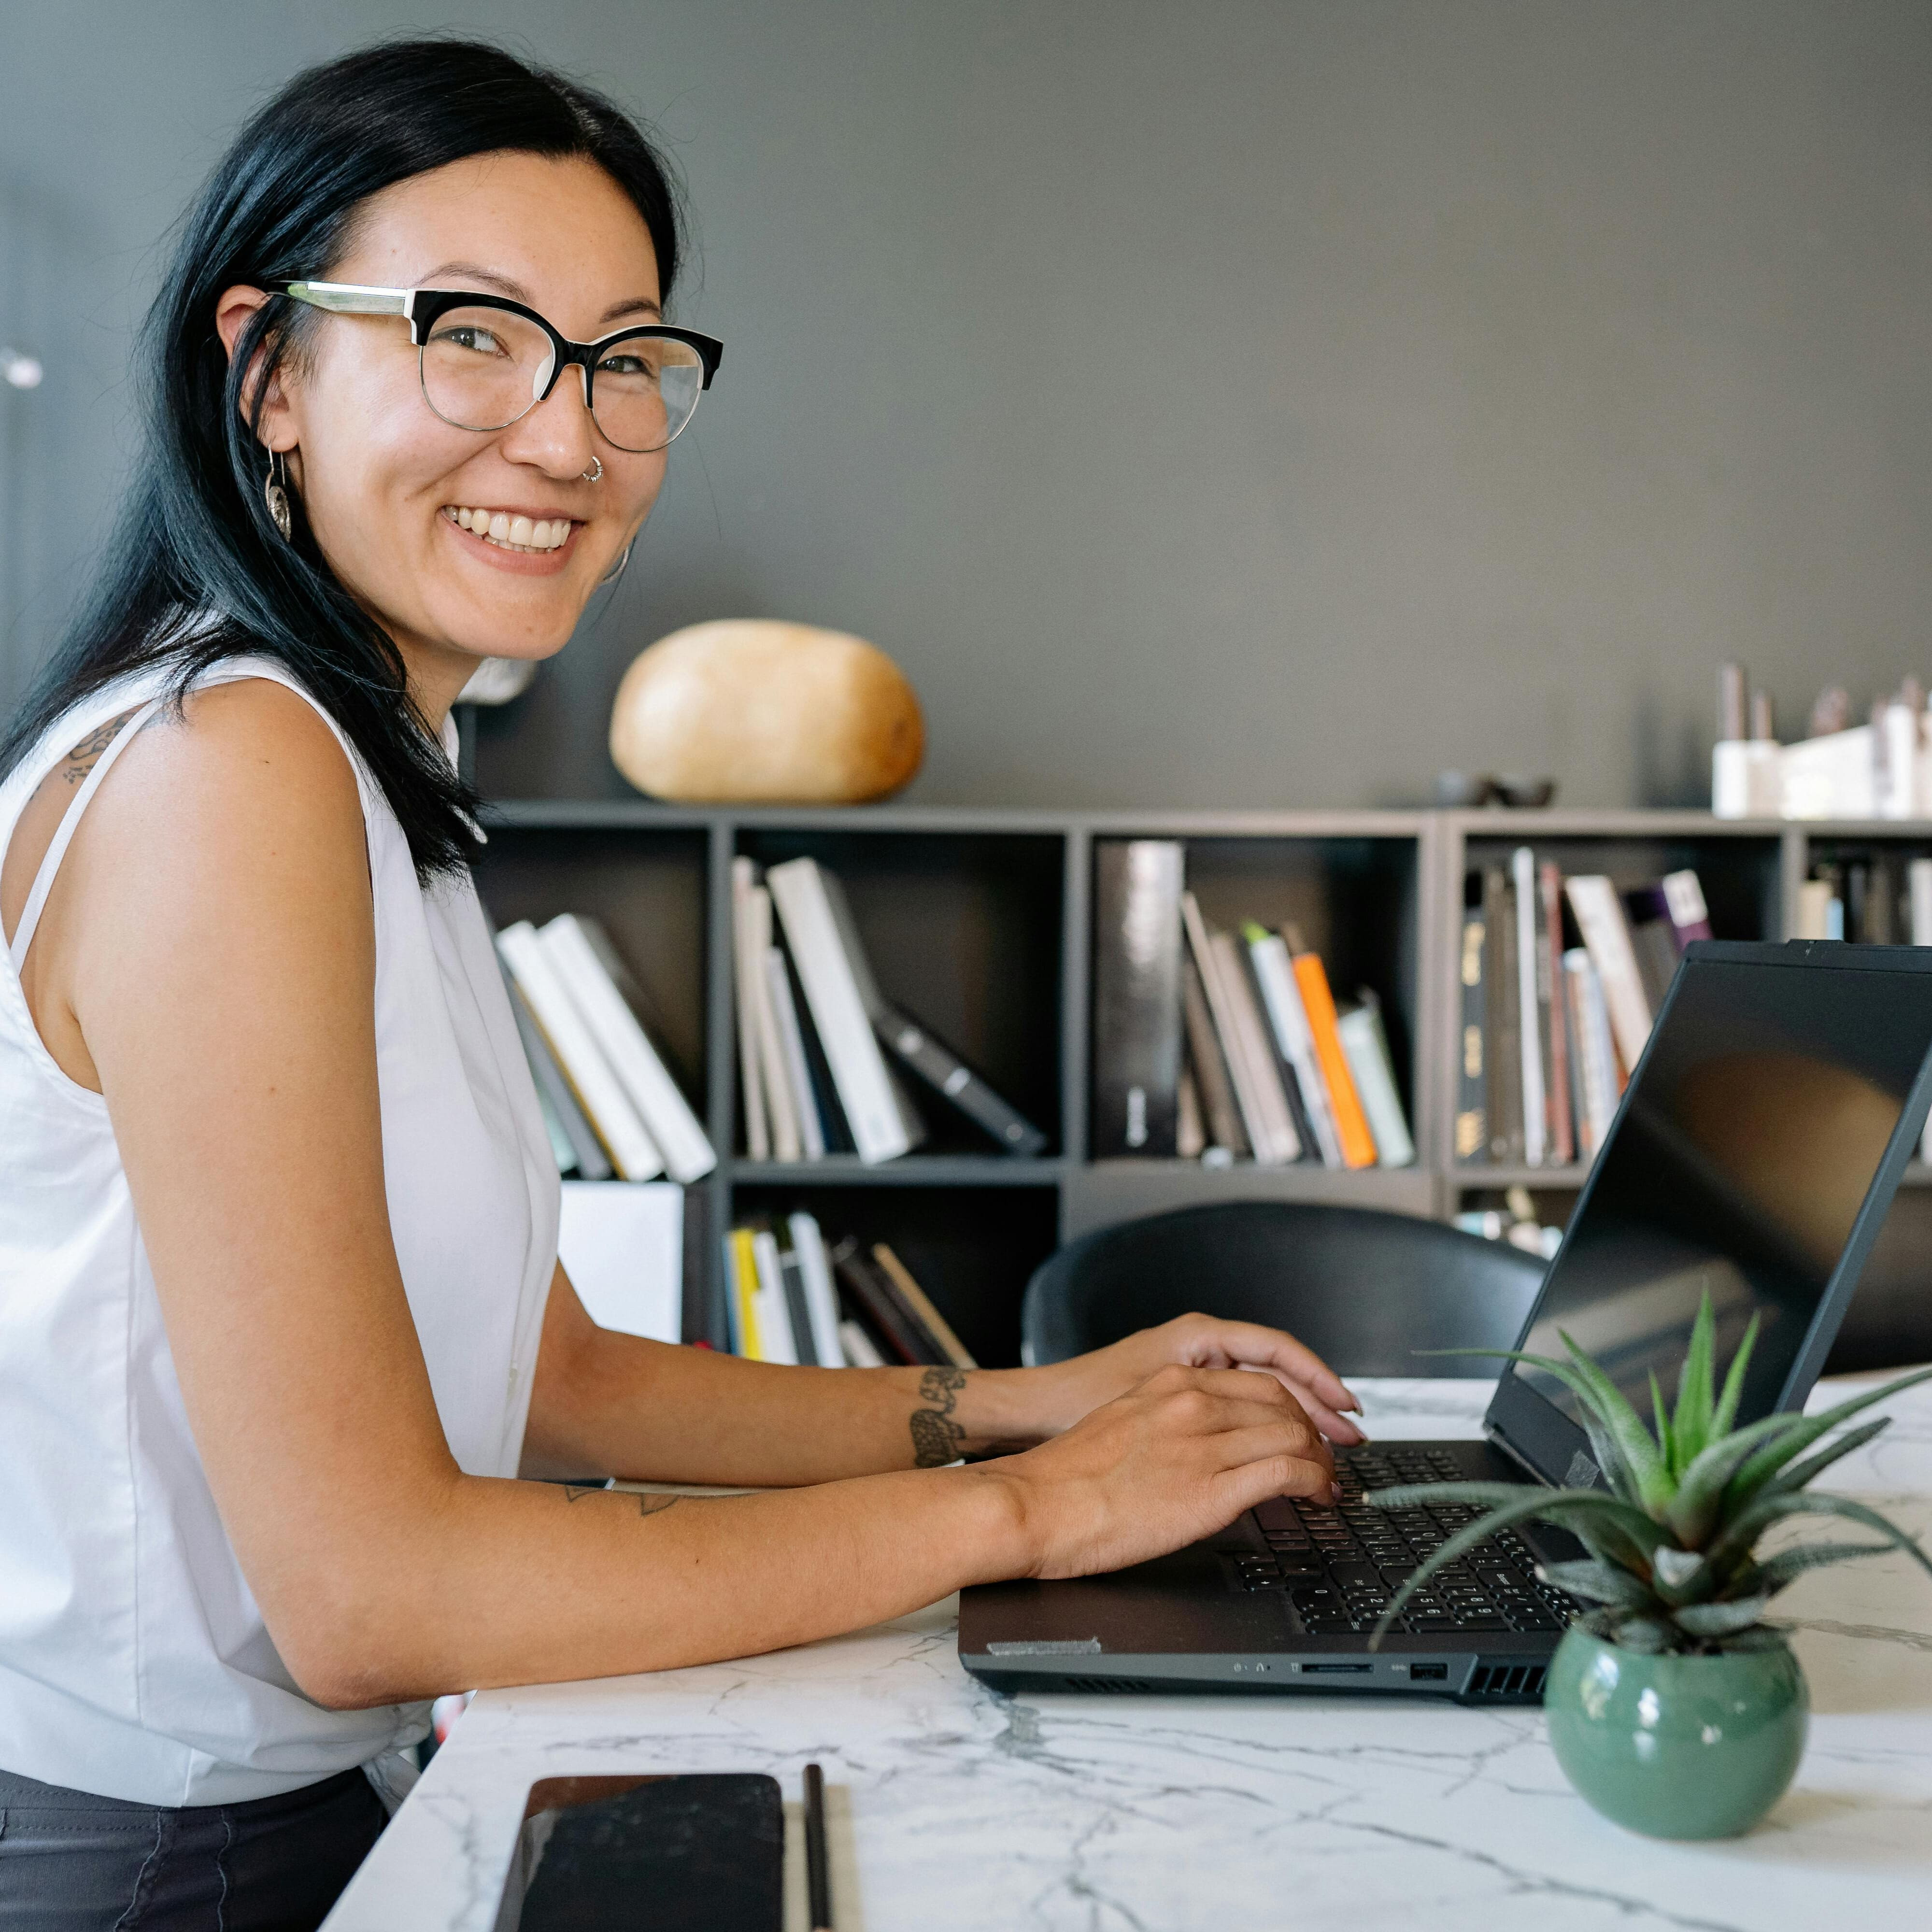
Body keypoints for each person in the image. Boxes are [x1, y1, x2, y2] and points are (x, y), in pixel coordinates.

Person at [0, 39, 1362, 1930]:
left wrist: (1027, 1403)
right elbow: (369, 1592)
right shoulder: (228, 774)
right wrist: (1043, 1514)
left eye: (624, 356)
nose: (566, 437)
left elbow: (560, 1376)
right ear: (269, 371)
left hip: (303, 1805)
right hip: (156, 1862)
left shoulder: (365, 761)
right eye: (470, 333)